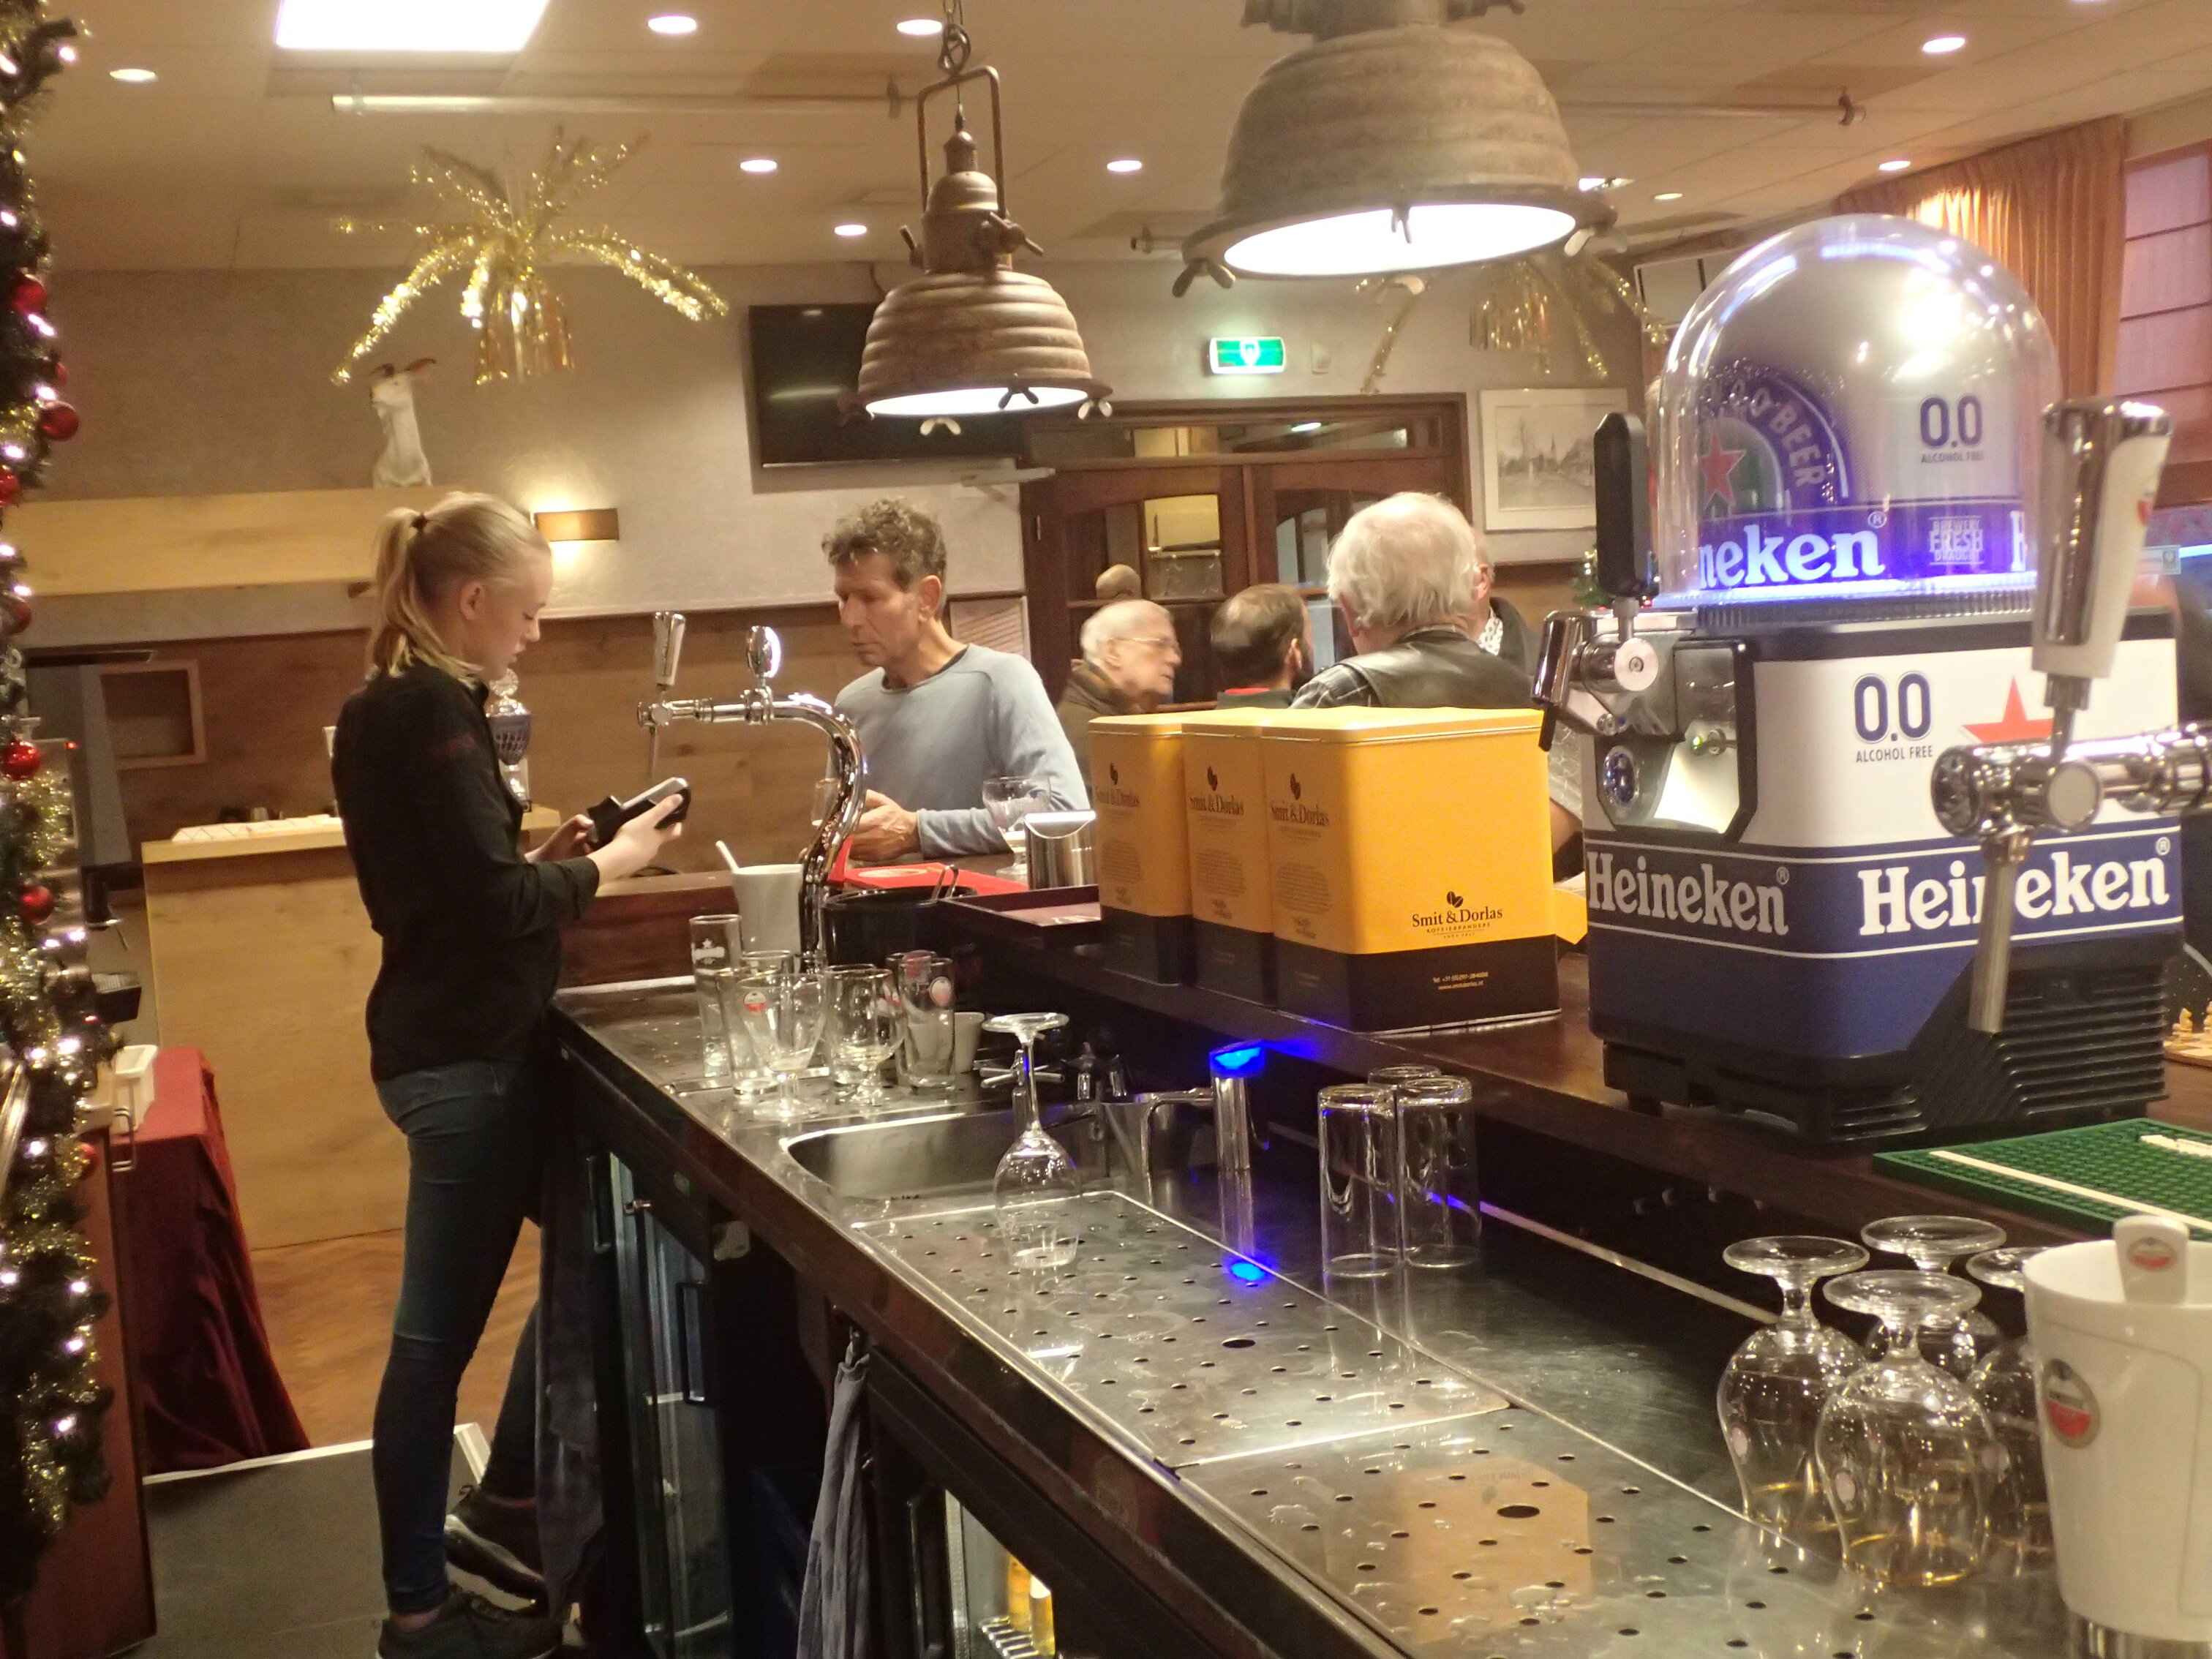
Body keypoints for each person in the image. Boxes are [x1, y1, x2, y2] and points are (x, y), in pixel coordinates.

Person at [334, 494, 683, 1659]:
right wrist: (615, 865)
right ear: (472, 600)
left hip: (447, 1044)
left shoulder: (389, 703)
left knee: (591, 1258)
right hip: (464, 1058)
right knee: (431, 1349)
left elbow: (464, 881)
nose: (534, 633)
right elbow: (489, 909)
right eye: (528, 613)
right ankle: (420, 1613)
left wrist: (558, 852)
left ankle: (508, 1510)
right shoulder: (432, 706)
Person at [1293, 492, 1580, 852]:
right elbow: (1534, 847)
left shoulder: (1336, 696)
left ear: (1350, 612)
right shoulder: (1542, 697)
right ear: (1471, 588)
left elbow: (1287, 838)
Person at [827, 498, 1086, 862]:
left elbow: (1063, 812)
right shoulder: (852, 704)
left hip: (979, 898)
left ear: (926, 599)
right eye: (843, 598)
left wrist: (919, 832)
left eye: (870, 598)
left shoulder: (1000, 681)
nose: (850, 618)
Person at [1056, 598, 1181, 783]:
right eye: (1159, 645)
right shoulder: (1090, 734)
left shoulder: (1116, 719)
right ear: (1113, 652)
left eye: (1175, 649)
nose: (1175, 659)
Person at [1209, 583, 1312, 708]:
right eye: (1310, 636)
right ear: (1295, 651)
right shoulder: (1309, 719)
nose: (1312, 647)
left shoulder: (1198, 720)